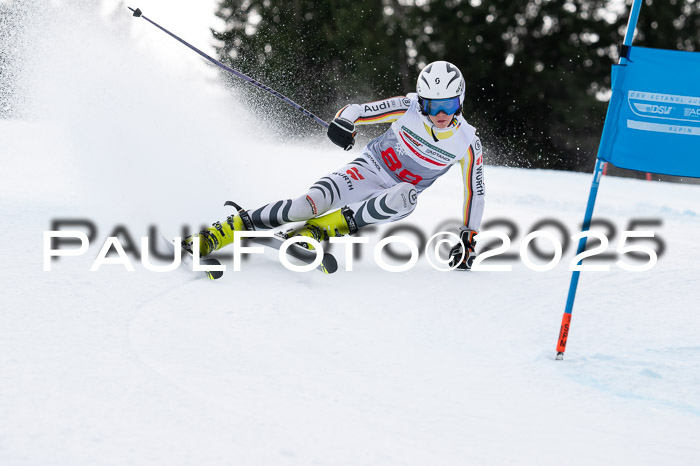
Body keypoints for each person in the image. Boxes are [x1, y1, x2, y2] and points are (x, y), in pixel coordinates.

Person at [183, 60, 485, 270]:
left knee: (406, 194)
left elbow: (475, 193)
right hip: (368, 169)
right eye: (433, 105)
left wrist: (468, 239)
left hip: (396, 198)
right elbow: (358, 110)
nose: (440, 113)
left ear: (460, 100)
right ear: (422, 102)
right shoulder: (409, 108)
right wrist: (344, 122)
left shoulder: (468, 142)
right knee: (306, 205)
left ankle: (315, 233)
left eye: (448, 105)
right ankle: (225, 230)